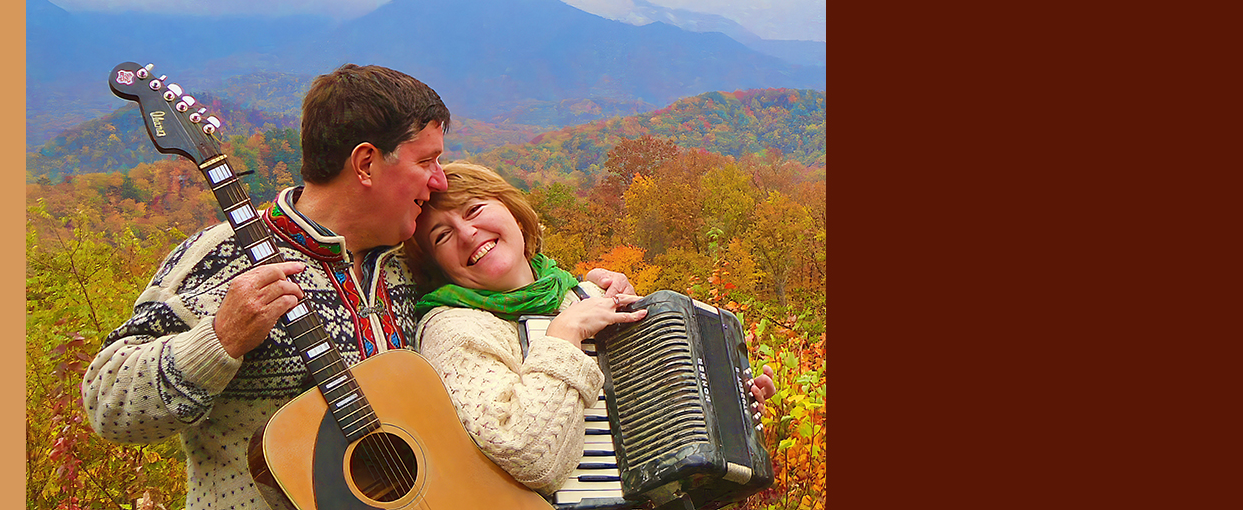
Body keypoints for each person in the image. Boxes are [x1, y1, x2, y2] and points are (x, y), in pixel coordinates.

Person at [79, 65, 631, 510]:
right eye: (427, 161)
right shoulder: (221, 257)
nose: (439, 179)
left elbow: (504, 292)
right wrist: (218, 340)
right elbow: (107, 401)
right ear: (366, 163)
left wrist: (584, 291)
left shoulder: (408, 264)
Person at [406, 161, 779, 498]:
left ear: (516, 218)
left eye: (474, 210)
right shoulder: (451, 330)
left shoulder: (584, 294)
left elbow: (658, 420)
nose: (467, 233)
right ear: (438, 267)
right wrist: (565, 337)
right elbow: (529, 459)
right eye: (442, 235)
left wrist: (728, 410)